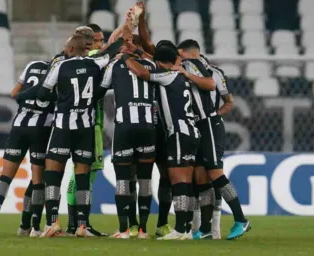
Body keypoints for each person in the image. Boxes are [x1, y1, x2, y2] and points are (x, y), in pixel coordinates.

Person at [124, 45, 200, 240]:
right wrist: (140, 52)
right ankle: (185, 228)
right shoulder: (180, 75)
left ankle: (181, 230)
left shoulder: (167, 75)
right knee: (185, 181)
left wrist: (124, 57)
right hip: (192, 132)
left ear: (158, 63)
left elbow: (142, 73)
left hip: (178, 133)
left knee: (178, 181)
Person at [37, 35, 110, 238]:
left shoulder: (60, 65)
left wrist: (62, 96)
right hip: (85, 128)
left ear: (69, 47)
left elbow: (43, 93)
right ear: (86, 48)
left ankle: (52, 222)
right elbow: (110, 54)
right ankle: (82, 225)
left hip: (63, 127)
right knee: (83, 177)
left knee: (53, 174)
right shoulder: (96, 62)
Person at [177, 39, 251, 240]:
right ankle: (206, 228)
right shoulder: (188, 67)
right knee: (201, 178)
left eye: (181, 54)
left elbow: (228, 100)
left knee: (215, 173)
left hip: (209, 124)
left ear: (192, 54)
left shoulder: (212, 73)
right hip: (197, 125)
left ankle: (241, 219)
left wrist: (215, 115)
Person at [95, 31, 156, 239]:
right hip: (148, 127)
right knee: (145, 180)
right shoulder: (152, 66)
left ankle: (124, 229)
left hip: (125, 127)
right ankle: (143, 230)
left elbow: (100, 90)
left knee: (123, 179)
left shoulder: (116, 65)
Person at [0, 60, 54, 237]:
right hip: (42, 128)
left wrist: (24, 98)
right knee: (38, 179)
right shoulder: (60, 71)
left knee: (6, 175)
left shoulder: (32, 65)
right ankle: (35, 227)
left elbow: (15, 93)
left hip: (19, 126)